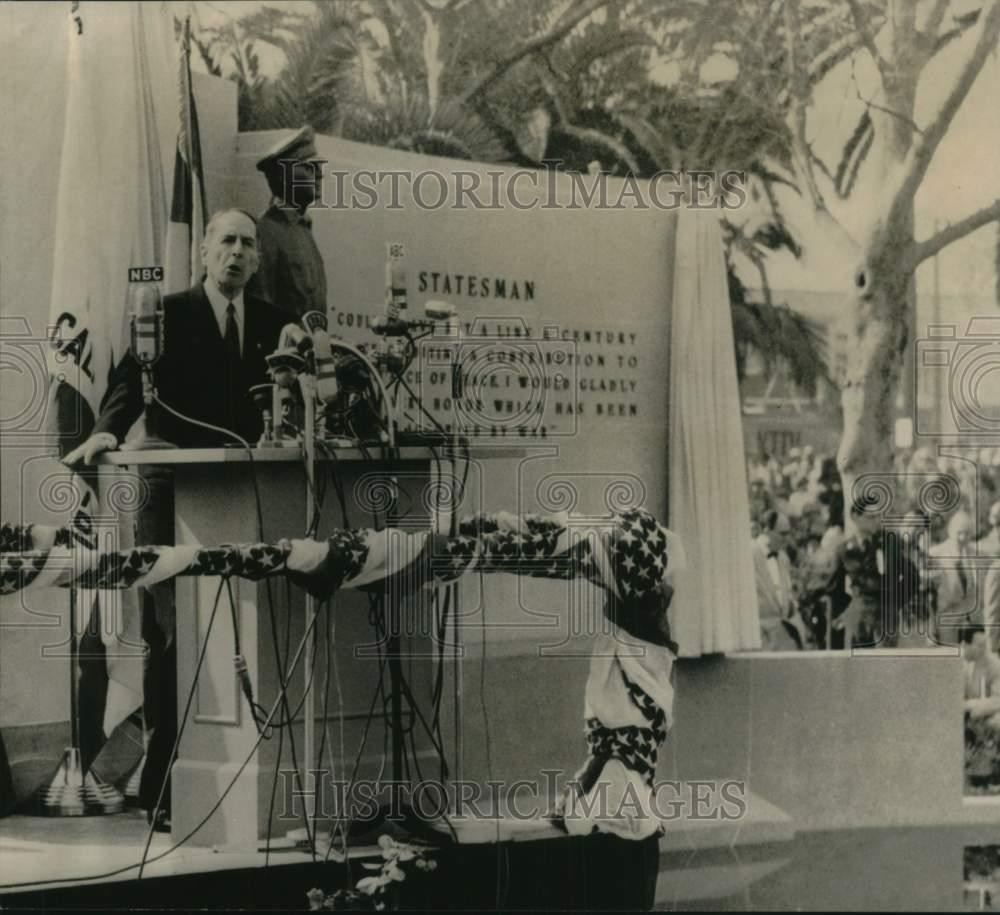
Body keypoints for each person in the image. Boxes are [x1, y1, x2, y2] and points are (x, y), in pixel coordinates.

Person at [64, 209, 288, 828]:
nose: (237, 254)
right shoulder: (168, 312)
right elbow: (128, 385)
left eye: (248, 245)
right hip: (172, 494)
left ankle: (244, 773)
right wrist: (106, 432)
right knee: (169, 636)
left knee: (242, 631)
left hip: (249, 494)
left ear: (258, 260)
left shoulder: (275, 325)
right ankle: (163, 788)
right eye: (226, 242)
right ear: (205, 253)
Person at [246, 125, 328, 317]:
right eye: (309, 167)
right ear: (284, 176)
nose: (319, 174)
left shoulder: (303, 228)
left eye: (319, 167)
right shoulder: (265, 232)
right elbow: (261, 311)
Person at [751, 509, 807, 650]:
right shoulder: (749, 553)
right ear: (766, 530)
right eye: (782, 533)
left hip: (783, 631)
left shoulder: (782, 557)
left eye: (788, 533)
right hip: (759, 634)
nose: (787, 539)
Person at [930, 511, 978, 646]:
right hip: (946, 617)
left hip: (970, 619)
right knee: (948, 662)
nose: (963, 537)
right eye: (960, 533)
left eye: (967, 533)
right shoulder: (935, 554)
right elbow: (930, 593)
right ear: (951, 531)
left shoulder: (974, 554)